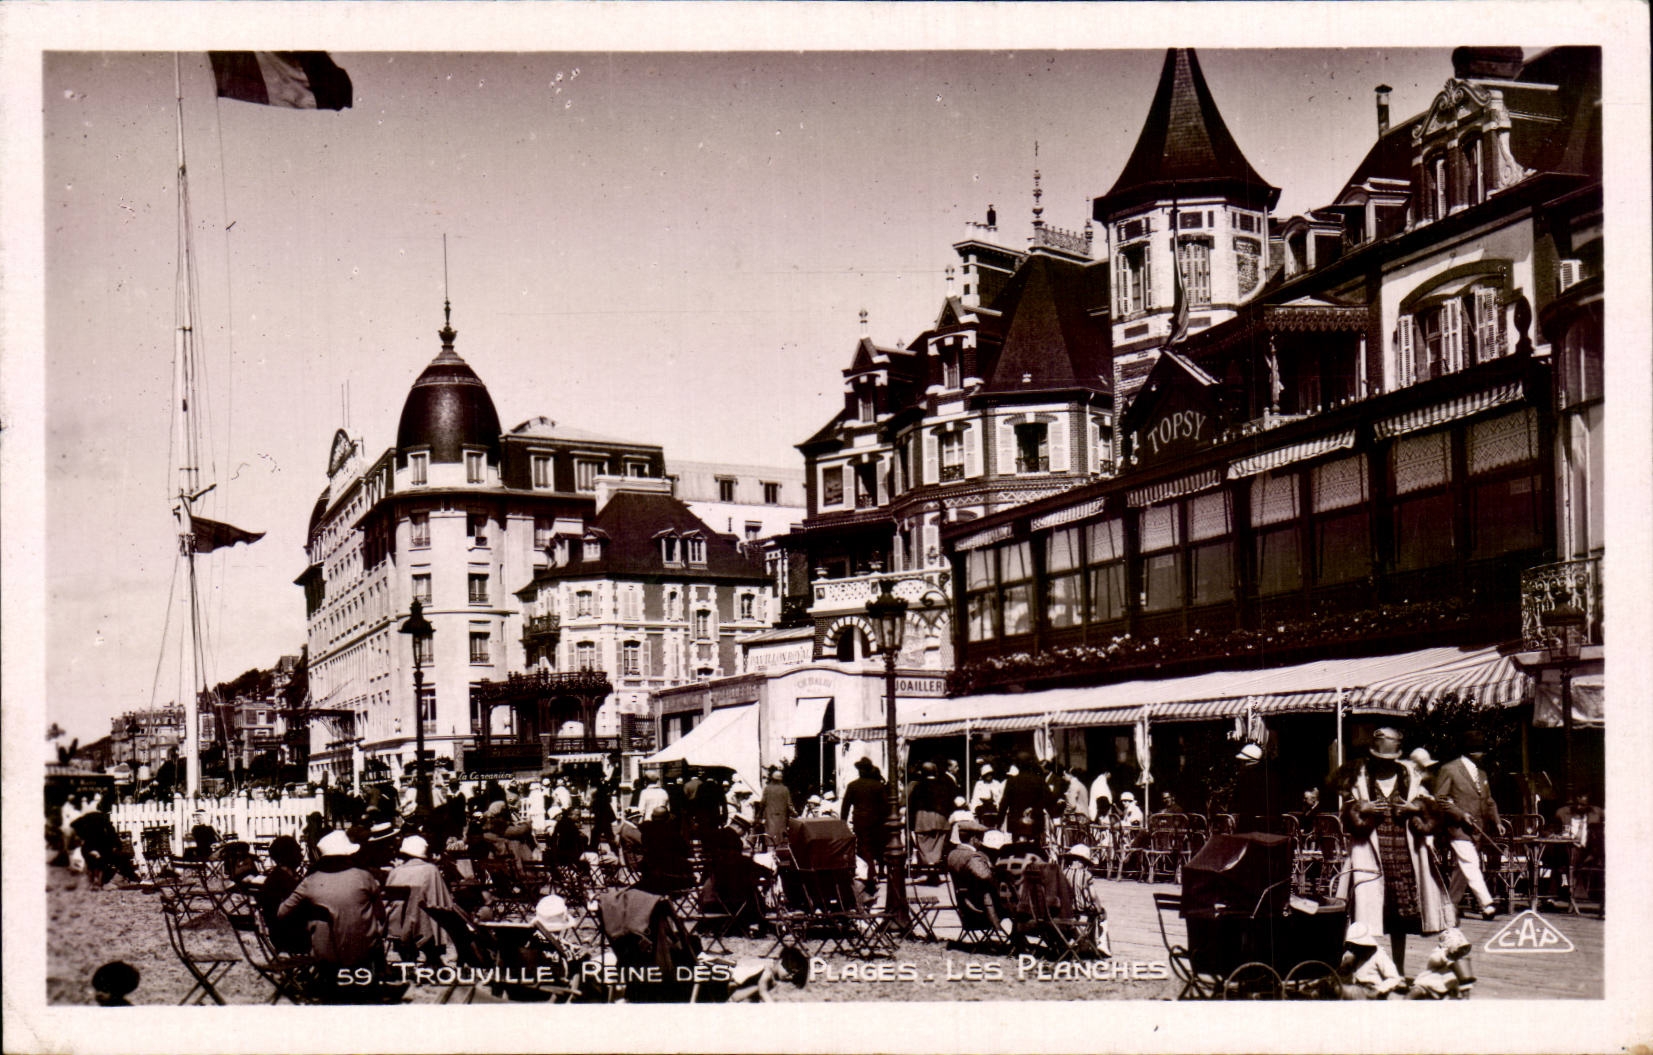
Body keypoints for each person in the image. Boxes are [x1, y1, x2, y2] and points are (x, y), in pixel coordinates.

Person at [1334, 727, 1454, 974]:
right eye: (1380, 759)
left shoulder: (1410, 777)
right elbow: (1346, 813)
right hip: (1370, 852)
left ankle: (1398, 970)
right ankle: (1366, 970)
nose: (1385, 764)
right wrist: (1362, 809)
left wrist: (1415, 808)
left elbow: (1430, 807)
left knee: (1399, 918)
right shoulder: (1361, 778)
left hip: (1403, 855)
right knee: (1365, 913)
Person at [278, 830, 387, 985]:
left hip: (325, 953)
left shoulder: (310, 881)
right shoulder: (364, 876)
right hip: (364, 950)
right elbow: (381, 915)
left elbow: (283, 912)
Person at [1431, 730, 1500, 920]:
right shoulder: (1450, 769)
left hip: (1477, 829)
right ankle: (1487, 904)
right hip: (1457, 828)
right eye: (1480, 750)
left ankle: (1450, 905)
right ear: (1470, 751)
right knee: (1471, 862)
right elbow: (1440, 799)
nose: (1483, 753)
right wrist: (1461, 815)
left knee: (1462, 869)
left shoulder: (1482, 773)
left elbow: (1488, 800)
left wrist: (1497, 821)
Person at [383, 834, 456, 966]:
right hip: (422, 925)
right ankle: (433, 959)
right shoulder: (430, 870)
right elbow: (439, 900)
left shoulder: (395, 872)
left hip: (396, 924)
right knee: (429, 912)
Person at [257, 836, 311, 955]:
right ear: (289, 855)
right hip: (289, 936)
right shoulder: (281, 880)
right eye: (298, 851)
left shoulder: (282, 875)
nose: (301, 855)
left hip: (283, 932)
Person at [842, 758, 890, 879]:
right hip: (877, 821)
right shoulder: (878, 786)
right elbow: (885, 806)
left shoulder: (853, 785)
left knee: (864, 846)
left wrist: (843, 822)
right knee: (878, 845)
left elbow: (845, 806)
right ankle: (880, 871)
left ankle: (870, 871)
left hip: (860, 820)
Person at [999, 751, 1056, 844]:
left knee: (1017, 850)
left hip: (1016, 823)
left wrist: (999, 822)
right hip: (1035, 822)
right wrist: (1035, 808)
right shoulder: (1039, 780)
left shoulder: (1012, 781)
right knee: (1036, 850)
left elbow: (1004, 803)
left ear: (1017, 765)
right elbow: (1049, 799)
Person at [1338, 922, 1405, 999]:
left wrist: (1379, 989)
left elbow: (1394, 978)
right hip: (1357, 988)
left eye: (1355, 946)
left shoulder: (1379, 955)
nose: (1353, 949)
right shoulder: (1356, 956)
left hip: (1372, 990)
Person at [1408, 927, 1474, 999]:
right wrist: (1446, 955)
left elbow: (1465, 979)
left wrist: (1466, 994)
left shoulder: (1461, 962)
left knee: (1451, 998)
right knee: (1415, 991)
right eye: (1458, 949)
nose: (1458, 953)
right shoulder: (1439, 953)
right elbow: (1434, 959)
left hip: (1447, 987)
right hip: (1429, 982)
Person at [759, 767, 795, 849]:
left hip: (770, 818)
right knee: (780, 839)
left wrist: (759, 815)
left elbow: (762, 803)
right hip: (782, 819)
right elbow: (789, 805)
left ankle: (770, 857)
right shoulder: (785, 789)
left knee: (770, 840)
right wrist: (794, 813)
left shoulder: (767, 789)